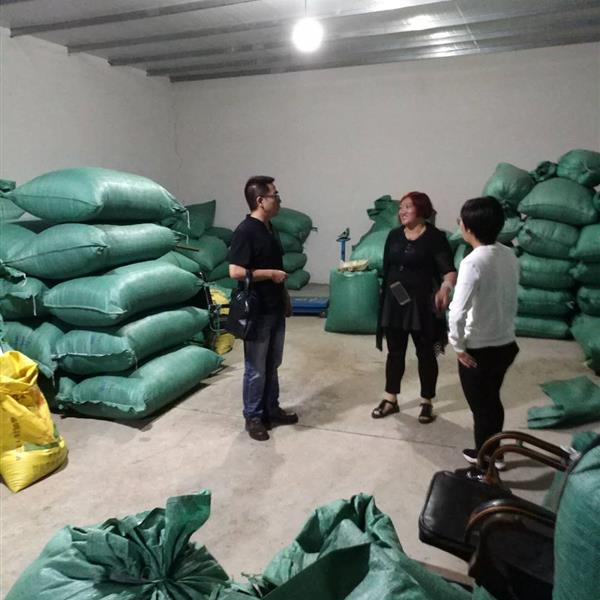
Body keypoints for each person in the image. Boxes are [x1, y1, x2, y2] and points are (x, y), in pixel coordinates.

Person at [372, 191, 457, 423]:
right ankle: (390, 398)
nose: (402, 211)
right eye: (401, 207)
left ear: (421, 209)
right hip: (395, 302)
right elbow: (388, 268)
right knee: (395, 353)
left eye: (408, 206)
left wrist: (445, 288)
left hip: (422, 305)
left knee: (426, 354)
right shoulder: (394, 235)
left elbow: (448, 270)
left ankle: (427, 401)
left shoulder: (435, 237)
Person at [448, 196, 519, 469]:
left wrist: (457, 346)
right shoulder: (508, 254)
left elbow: (457, 311)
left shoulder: (473, 262)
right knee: (492, 401)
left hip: (479, 349)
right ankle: (493, 453)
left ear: (468, 227)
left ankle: (485, 461)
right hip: (506, 343)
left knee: (481, 408)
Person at [228, 176, 298, 442]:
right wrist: (269, 274)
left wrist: (284, 297)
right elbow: (235, 271)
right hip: (256, 310)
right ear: (260, 200)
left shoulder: (271, 229)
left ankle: (271, 409)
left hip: (275, 306)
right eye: (274, 195)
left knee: (273, 363)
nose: (278, 200)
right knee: (256, 367)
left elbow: (277, 268)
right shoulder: (245, 231)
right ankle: (253, 417)